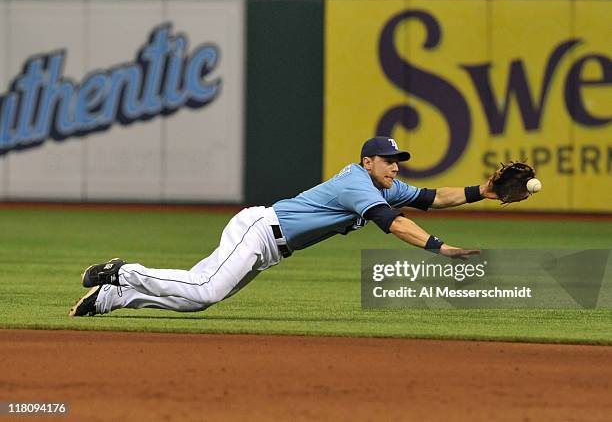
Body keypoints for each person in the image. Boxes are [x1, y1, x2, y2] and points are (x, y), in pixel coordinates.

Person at [69, 137, 499, 317]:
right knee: (205, 289)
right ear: (368, 161)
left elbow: (432, 199)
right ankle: (123, 272)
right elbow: (396, 224)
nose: (394, 166)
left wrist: (483, 190)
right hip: (259, 228)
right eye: (388, 161)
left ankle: (112, 298)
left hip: (272, 245)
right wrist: (440, 249)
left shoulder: (384, 186)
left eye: (397, 161)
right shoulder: (356, 183)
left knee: (195, 302)